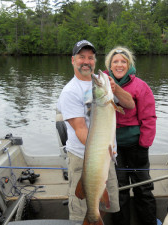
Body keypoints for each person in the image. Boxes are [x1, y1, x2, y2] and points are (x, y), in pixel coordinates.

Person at [57, 40, 135, 224]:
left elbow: (130, 104)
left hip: (106, 156)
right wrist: (99, 152)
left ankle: (95, 218)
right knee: (81, 211)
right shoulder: (70, 91)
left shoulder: (104, 85)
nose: (86, 61)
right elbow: (80, 129)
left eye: (90, 58)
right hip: (84, 158)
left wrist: (115, 89)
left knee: (105, 204)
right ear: (73, 60)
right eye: (81, 57)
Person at [104, 46, 157, 225]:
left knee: (143, 188)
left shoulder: (141, 87)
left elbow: (149, 119)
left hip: (136, 147)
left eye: (123, 61)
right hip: (113, 149)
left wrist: (144, 146)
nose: (119, 65)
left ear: (129, 64)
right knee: (119, 190)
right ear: (109, 65)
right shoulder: (102, 84)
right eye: (115, 61)